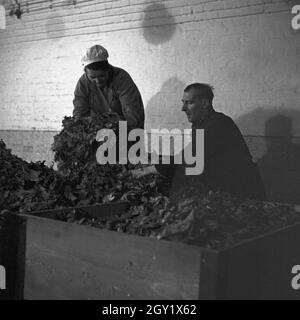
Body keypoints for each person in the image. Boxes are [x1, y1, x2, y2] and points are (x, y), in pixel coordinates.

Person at [134, 83, 266, 201]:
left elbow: (189, 158)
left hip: (242, 193)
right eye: (183, 102)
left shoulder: (218, 124)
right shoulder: (200, 124)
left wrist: (149, 170)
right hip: (222, 189)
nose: (183, 108)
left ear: (204, 103)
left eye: (189, 102)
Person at [73, 45, 145, 129]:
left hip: (124, 128)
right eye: (92, 77)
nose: (97, 81)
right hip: (97, 130)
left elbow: (133, 114)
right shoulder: (83, 83)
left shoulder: (121, 78)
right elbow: (80, 113)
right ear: (86, 72)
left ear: (108, 69)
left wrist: (120, 132)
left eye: (102, 76)